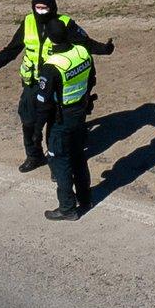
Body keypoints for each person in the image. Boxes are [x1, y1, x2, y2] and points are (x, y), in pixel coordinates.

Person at [0, 0, 112, 173]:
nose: (40, 12)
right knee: (29, 121)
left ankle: (56, 165)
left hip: (55, 83)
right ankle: (34, 156)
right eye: (37, 8)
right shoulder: (28, 22)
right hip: (32, 83)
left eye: (44, 8)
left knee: (54, 124)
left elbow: (85, 43)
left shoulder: (64, 24)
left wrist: (105, 49)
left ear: (52, 7)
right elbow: (12, 49)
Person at [34, 31, 98, 221]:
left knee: (60, 161)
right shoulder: (82, 52)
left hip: (61, 120)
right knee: (78, 156)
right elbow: (92, 79)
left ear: (51, 42)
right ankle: (85, 198)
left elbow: (44, 103)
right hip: (80, 114)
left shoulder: (52, 66)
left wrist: (37, 130)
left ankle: (67, 208)